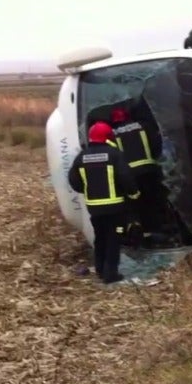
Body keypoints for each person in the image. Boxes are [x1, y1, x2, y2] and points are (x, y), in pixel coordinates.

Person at [67, 121, 142, 284]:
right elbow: (125, 177)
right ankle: (111, 274)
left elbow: (73, 180)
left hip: (94, 208)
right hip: (115, 207)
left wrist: (87, 191)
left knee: (100, 238)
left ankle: (100, 270)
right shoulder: (114, 154)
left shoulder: (81, 157)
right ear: (108, 137)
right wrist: (133, 194)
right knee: (113, 239)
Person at [109, 106, 165, 240]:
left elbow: (113, 157)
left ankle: (142, 231)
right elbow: (157, 144)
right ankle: (158, 230)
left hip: (130, 175)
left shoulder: (112, 134)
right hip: (149, 170)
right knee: (153, 200)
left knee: (136, 204)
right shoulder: (143, 126)